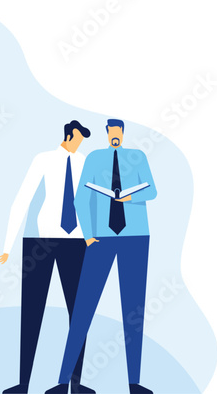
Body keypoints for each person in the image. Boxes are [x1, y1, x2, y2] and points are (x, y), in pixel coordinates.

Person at [46, 119, 157, 394]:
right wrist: (87, 235)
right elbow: (80, 199)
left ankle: (134, 383)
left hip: (135, 237)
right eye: (112, 133)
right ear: (107, 134)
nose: (116, 136)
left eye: (119, 132)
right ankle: (62, 382)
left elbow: (152, 191)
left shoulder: (138, 157)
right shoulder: (95, 159)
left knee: (134, 311)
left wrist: (129, 199)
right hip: (101, 239)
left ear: (123, 134)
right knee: (83, 309)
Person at [0, 121, 95, 394]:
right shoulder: (43, 159)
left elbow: (90, 202)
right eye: (78, 138)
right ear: (68, 135)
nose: (80, 143)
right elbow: (22, 199)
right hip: (40, 242)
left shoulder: (84, 161)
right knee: (31, 312)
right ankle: (24, 384)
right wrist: (8, 245)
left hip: (77, 242)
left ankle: (75, 384)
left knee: (78, 314)